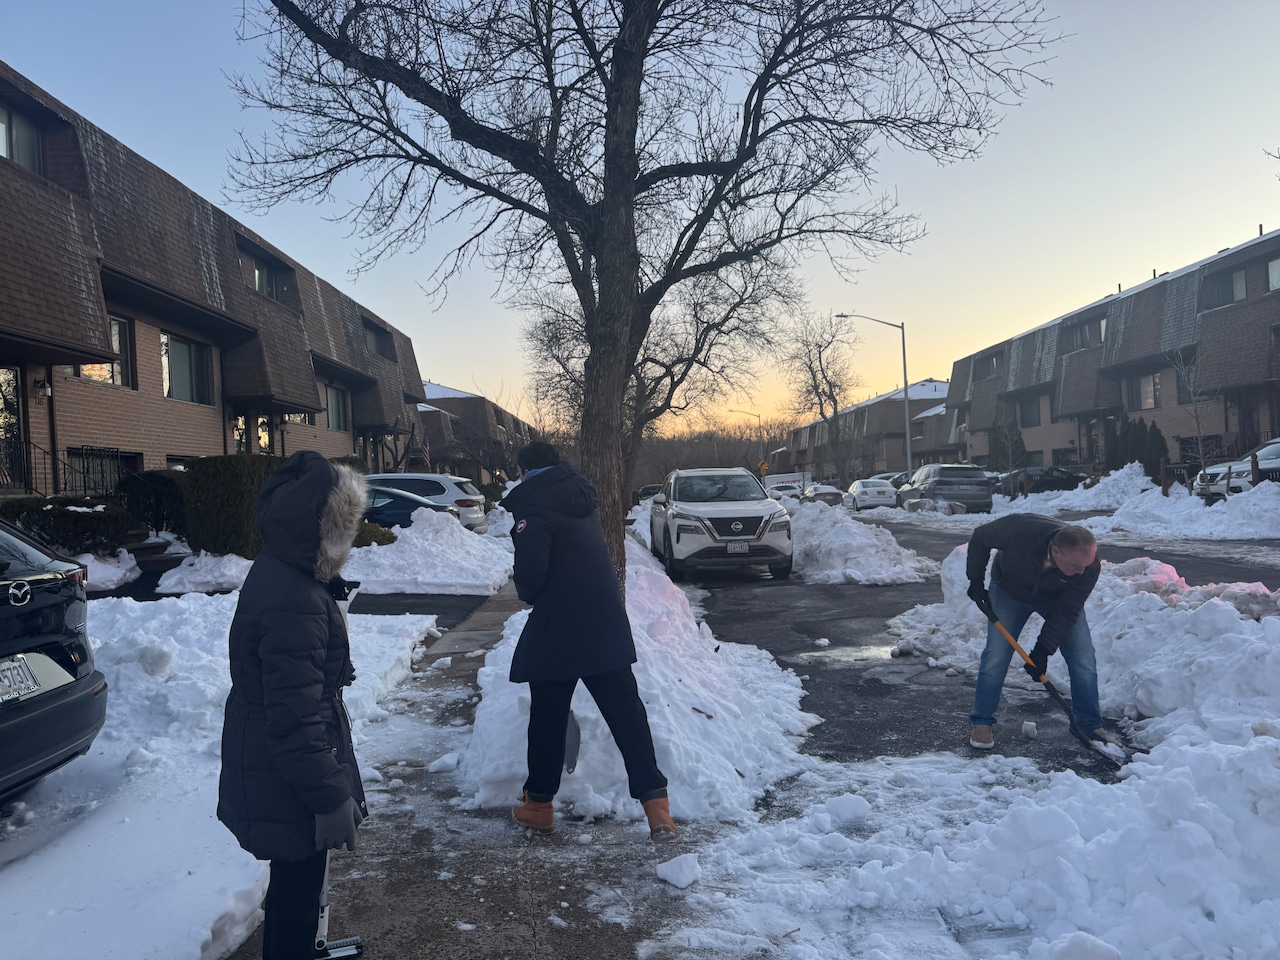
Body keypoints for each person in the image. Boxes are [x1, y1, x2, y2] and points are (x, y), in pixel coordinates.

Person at [218, 451, 369, 959]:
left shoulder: (289, 574)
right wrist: (328, 796)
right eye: (342, 527)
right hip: (288, 775)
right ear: (319, 527)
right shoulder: (294, 599)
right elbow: (293, 719)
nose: (349, 539)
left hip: (279, 767)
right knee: (296, 892)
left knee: (296, 885)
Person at [500, 441, 676, 840]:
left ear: (524, 472)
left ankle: (538, 806)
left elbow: (530, 582)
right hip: (604, 622)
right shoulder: (579, 498)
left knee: (547, 718)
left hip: (558, 627)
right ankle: (658, 809)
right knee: (626, 716)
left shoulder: (534, 507)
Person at [964, 514, 1115, 751]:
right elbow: (980, 537)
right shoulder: (1020, 530)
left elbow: (1067, 611)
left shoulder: (1087, 567)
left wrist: (1042, 650)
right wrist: (975, 580)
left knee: (1082, 656)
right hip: (1010, 591)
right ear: (1056, 551)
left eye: (1084, 566)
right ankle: (982, 722)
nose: (1080, 571)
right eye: (1075, 565)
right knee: (997, 655)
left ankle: (1089, 725)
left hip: (1056, 597)